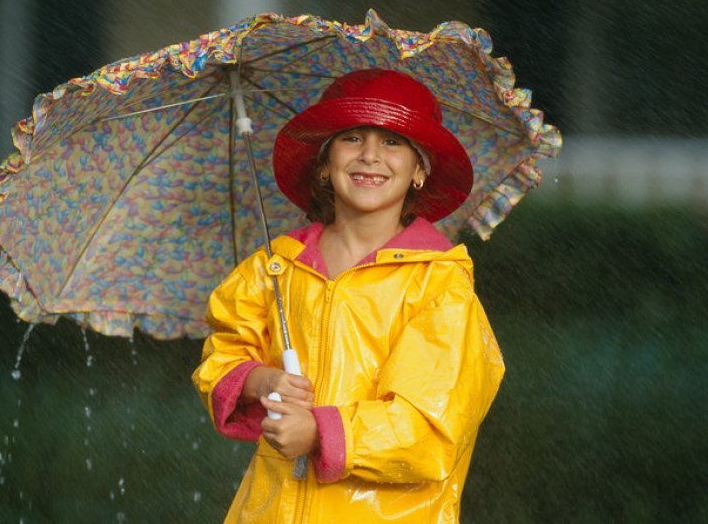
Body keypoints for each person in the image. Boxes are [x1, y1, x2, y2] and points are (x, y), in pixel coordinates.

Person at [192, 68, 504, 523]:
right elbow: (222, 354)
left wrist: (321, 432)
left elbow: (431, 427)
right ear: (323, 163)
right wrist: (262, 381)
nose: (371, 156)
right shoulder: (275, 269)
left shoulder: (439, 285)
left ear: (419, 171)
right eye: (352, 139)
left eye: (393, 141)